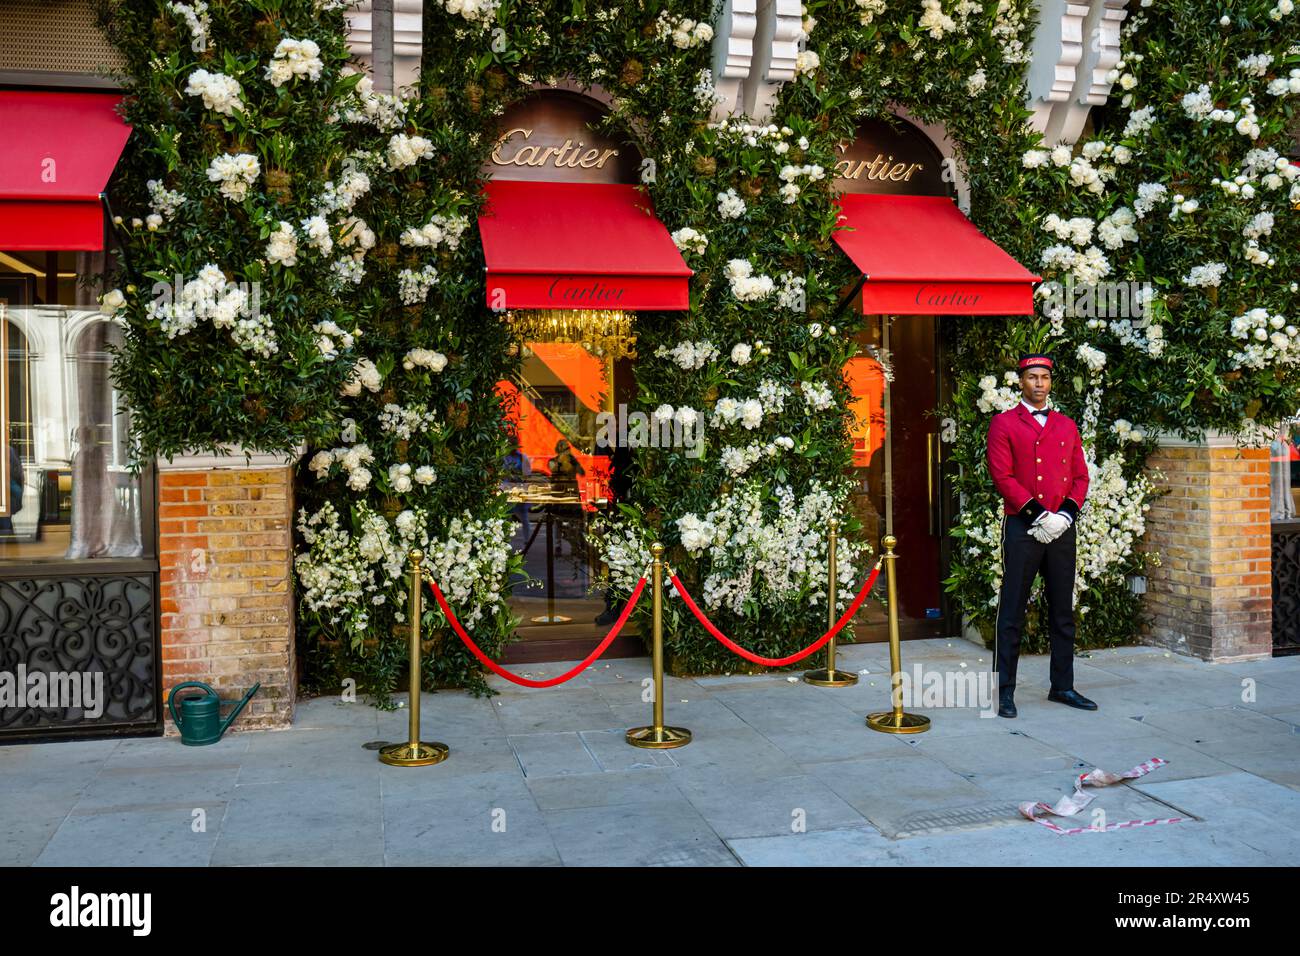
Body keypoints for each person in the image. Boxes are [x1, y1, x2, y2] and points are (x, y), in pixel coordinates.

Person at [986, 353, 1096, 719]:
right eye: (1032, 377)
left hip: (1061, 528)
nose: (1038, 383)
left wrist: (1065, 514)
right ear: (1021, 381)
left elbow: (1080, 476)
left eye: (1044, 378)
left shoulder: (1066, 424)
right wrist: (1037, 515)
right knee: (1012, 609)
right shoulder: (1003, 423)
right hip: (1023, 525)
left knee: (1062, 610)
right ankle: (1003, 692)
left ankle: (1062, 686)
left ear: (1051, 382)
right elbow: (1002, 476)